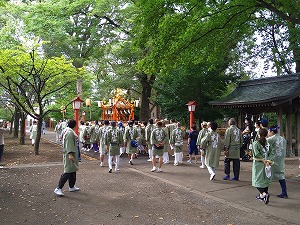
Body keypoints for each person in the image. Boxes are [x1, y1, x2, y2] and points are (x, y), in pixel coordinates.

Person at [54, 119, 80, 196]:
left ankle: (71, 186)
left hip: (71, 152)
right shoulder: (69, 132)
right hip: (70, 153)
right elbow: (69, 144)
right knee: (68, 171)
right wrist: (70, 153)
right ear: (75, 125)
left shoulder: (66, 130)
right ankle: (58, 188)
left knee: (72, 170)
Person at [252, 128, 275, 204]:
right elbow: (272, 153)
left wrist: (262, 160)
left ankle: (264, 194)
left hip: (259, 164)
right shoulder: (268, 143)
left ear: (259, 134)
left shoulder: (256, 143)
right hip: (267, 163)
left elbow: (256, 154)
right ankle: (263, 195)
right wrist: (268, 160)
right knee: (265, 179)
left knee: (257, 180)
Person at [267, 125, 288, 198]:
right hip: (281, 159)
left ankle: (264, 192)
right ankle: (284, 192)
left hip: (272, 159)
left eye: (269, 131)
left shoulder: (270, 139)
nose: (268, 133)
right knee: (281, 176)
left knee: (267, 175)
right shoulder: (283, 139)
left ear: (272, 131)